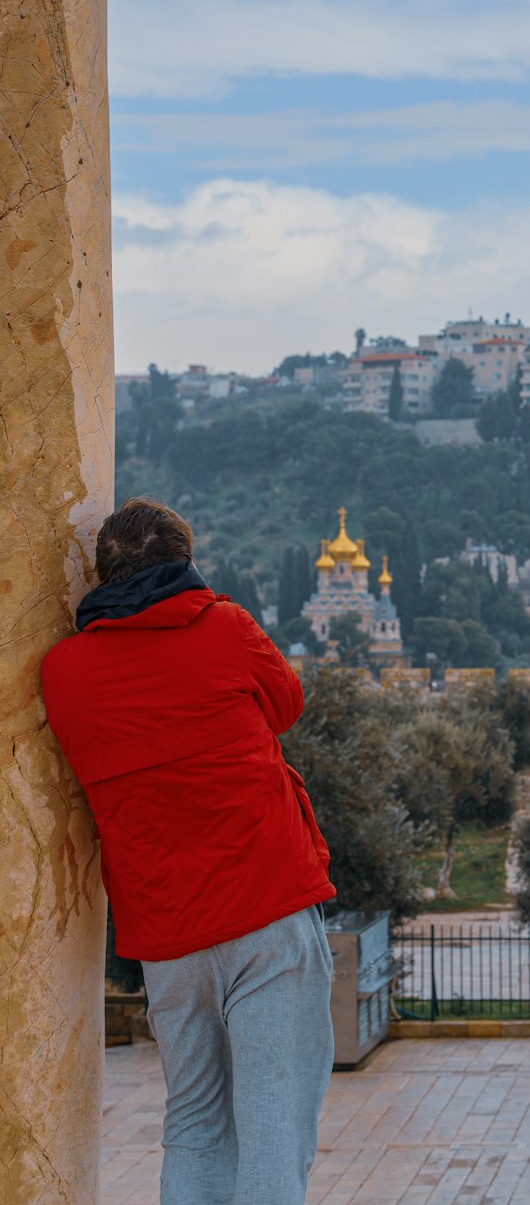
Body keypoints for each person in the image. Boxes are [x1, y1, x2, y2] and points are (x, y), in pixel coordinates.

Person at [43, 497, 335, 1205]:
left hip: (166, 933)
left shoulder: (63, 671)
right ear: (183, 563)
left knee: (195, 1120)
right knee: (272, 1122)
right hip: (265, 907)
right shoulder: (223, 627)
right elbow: (286, 703)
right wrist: (205, 601)